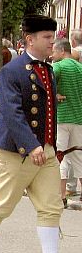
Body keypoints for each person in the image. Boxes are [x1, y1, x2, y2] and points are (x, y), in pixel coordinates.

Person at [0, 15, 80, 253]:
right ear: (30, 39)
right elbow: (12, 112)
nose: (52, 42)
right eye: (46, 37)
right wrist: (31, 144)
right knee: (2, 204)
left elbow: (49, 113)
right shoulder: (12, 70)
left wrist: (53, 146)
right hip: (15, 151)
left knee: (51, 206)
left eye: (52, 37)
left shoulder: (48, 69)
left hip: (44, 151)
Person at [51, 38, 82, 205]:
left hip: (62, 117)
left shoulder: (58, 66)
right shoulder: (80, 68)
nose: (52, 55)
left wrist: (55, 95)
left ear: (62, 51)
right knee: (79, 156)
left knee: (60, 156)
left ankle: (61, 196)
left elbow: (46, 84)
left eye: (54, 51)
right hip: (79, 118)